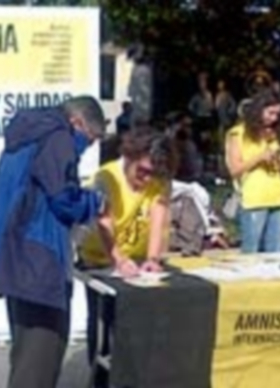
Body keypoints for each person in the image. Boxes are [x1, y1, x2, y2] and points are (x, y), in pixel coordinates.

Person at [0, 96, 107, 388]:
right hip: (40, 262)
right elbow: (64, 200)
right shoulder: (57, 138)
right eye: (90, 139)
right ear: (77, 122)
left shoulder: (29, 136)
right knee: (41, 360)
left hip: (16, 259)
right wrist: (95, 201)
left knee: (26, 357)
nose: (87, 148)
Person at [77, 126, 178, 388]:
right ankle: (99, 380)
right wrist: (119, 260)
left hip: (137, 259)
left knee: (137, 324)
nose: (146, 178)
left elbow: (158, 216)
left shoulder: (158, 178)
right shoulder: (106, 177)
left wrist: (153, 258)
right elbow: (104, 222)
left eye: (152, 173)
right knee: (102, 321)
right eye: (142, 171)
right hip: (99, 258)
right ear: (130, 156)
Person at [225, 89, 280, 253]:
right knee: (251, 251)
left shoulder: (276, 134)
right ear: (259, 109)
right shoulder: (238, 133)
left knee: (275, 251)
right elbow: (234, 169)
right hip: (254, 199)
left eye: (278, 114)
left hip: (278, 197)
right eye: (270, 113)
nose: (273, 118)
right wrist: (259, 158)